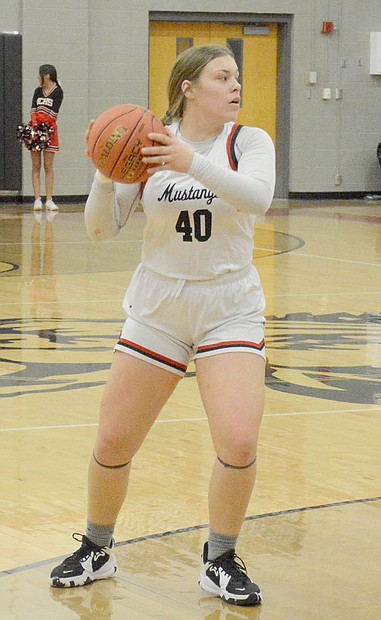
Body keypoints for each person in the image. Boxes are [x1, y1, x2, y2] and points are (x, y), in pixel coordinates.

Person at [49, 44, 276, 607]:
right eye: (221, 76)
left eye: (237, 76)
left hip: (229, 303)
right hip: (160, 305)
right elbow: (101, 232)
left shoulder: (248, 142)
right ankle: (97, 547)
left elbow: (259, 199)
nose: (234, 84)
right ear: (187, 88)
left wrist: (189, 161)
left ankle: (219, 557)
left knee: (239, 439)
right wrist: (105, 176)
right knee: (114, 439)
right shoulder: (145, 145)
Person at [29, 64, 63, 212]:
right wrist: (35, 126)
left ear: (47, 76)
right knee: (36, 166)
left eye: (40, 75)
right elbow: (33, 110)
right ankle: (37, 200)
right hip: (35, 130)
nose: (38, 77)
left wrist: (43, 126)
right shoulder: (37, 91)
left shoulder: (58, 92)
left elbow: (54, 114)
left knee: (48, 166)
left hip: (49, 131)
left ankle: (49, 200)